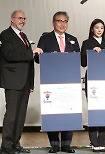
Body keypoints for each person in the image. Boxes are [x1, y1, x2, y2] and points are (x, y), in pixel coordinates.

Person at [34, 11, 80, 153]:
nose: (62, 24)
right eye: (59, 21)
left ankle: (66, 144)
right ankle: (54, 144)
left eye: (65, 21)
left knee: (68, 110)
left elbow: (77, 59)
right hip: (51, 82)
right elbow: (37, 59)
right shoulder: (45, 38)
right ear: (53, 23)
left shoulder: (73, 39)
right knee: (52, 111)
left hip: (69, 81)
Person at [0, 10, 43, 154]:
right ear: (12, 19)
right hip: (12, 81)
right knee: (11, 115)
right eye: (20, 18)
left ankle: (15, 143)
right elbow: (10, 55)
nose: (22, 20)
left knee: (20, 116)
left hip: (24, 82)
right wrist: (31, 53)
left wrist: (31, 83)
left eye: (24, 18)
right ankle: (6, 146)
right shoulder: (5, 35)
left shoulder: (23, 36)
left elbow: (29, 63)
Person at [81, 18, 105, 152]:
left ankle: (102, 141)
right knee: (94, 110)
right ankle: (94, 141)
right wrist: (91, 52)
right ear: (92, 29)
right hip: (92, 79)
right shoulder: (86, 43)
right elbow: (83, 62)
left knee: (104, 111)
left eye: (102, 28)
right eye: (97, 27)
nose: (99, 30)